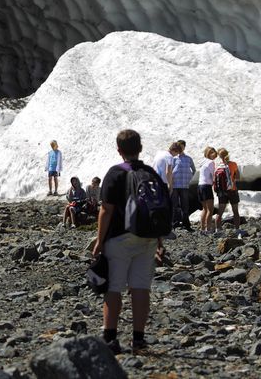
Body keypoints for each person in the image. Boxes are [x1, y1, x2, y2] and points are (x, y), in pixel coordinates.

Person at [92, 129, 165, 354]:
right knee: (141, 287)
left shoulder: (114, 174)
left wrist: (99, 240)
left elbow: (106, 209)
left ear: (119, 150)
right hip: (147, 238)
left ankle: (110, 338)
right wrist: (159, 240)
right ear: (140, 148)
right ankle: (139, 340)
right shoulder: (150, 172)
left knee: (113, 288)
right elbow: (158, 209)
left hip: (118, 238)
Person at [214, 148, 241, 231]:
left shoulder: (217, 166)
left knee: (220, 211)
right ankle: (237, 229)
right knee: (235, 211)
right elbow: (238, 177)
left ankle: (218, 229)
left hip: (222, 191)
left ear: (219, 156)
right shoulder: (233, 164)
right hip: (232, 190)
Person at [170, 142, 195, 230]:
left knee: (185, 205)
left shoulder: (188, 159)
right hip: (175, 185)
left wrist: (189, 178)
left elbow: (194, 170)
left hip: (184, 185)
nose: (180, 148)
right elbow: (169, 171)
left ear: (184, 147)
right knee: (175, 205)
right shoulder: (174, 159)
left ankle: (186, 224)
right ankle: (174, 223)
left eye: (182, 146)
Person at [197, 147, 218, 233]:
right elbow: (213, 175)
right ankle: (208, 229)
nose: (213, 155)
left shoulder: (203, 162)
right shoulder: (211, 162)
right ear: (208, 153)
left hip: (199, 186)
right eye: (211, 153)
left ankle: (202, 228)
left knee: (204, 209)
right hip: (206, 186)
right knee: (210, 209)